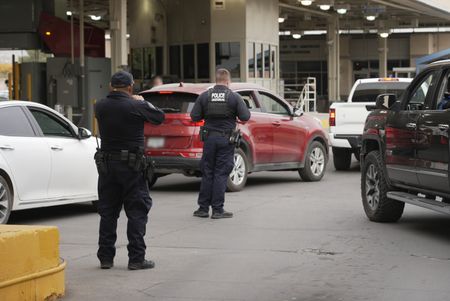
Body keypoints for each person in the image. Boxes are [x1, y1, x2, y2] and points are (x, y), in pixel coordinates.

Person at [94, 71, 165, 270]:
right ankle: (136, 258)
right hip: (132, 168)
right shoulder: (136, 105)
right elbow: (159, 117)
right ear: (131, 87)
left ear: (110, 86)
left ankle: (106, 258)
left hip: (107, 167)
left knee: (108, 212)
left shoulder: (99, 105)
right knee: (136, 212)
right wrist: (143, 101)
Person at [190, 68, 251, 219]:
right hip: (226, 140)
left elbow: (194, 116)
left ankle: (203, 209)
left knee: (208, 172)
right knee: (221, 173)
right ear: (228, 81)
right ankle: (217, 210)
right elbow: (245, 116)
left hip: (209, 139)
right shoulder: (234, 97)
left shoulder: (205, 96)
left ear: (216, 80)